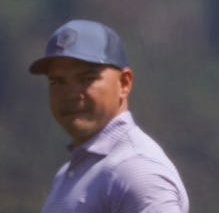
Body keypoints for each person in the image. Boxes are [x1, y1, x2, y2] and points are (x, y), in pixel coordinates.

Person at [29, 19, 190, 213]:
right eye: (57, 81)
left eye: (87, 79)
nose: (71, 94)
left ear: (124, 83)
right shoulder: (70, 172)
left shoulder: (137, 170)